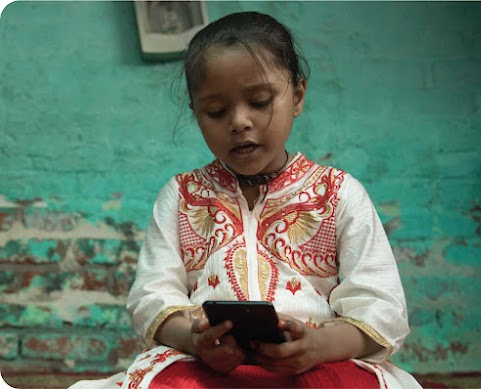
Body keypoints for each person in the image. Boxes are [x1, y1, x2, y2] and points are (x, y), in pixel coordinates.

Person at [70, 11, 422, 389]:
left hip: (317, 363)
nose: (239, 122)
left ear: (298, 96)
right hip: (204, 364)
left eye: (259, 101)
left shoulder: (339, 194)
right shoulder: (181, 195)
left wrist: (318, 345)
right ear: (196, 112)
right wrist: (193, 339)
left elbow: (382, 307)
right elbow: (151, 296)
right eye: (216, 111)